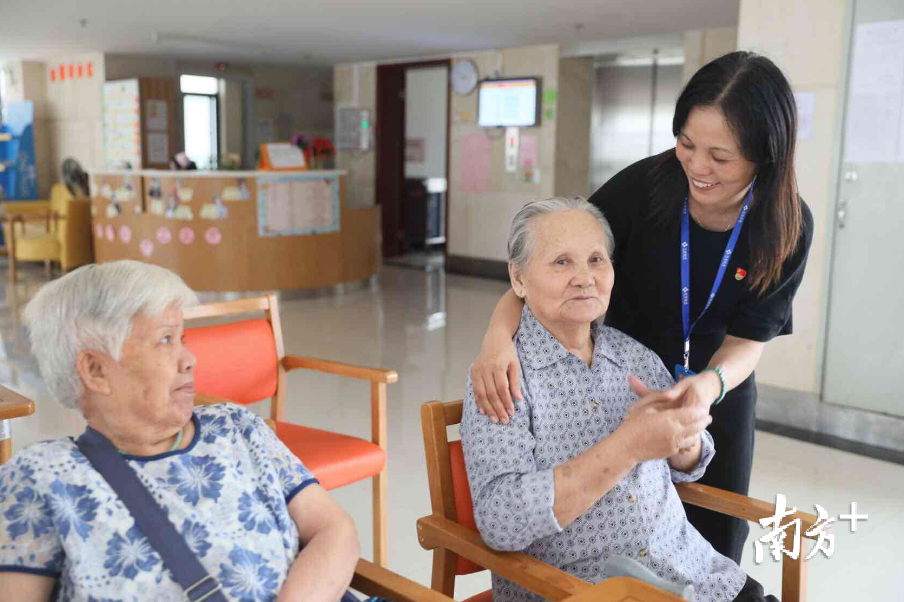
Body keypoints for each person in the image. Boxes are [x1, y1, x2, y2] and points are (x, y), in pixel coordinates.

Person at [470, 51, 814, 563]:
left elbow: (750, 339)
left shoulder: (785, 225)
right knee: (614, 517)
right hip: (622, 377)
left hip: (715, 388)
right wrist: (497, 341)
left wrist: (709, 385)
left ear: (766, 154)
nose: (698, 167)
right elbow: (550, 265)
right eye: (687, 144)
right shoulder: (644, 188)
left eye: (720, 157)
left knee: (713, 543)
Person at [461, 197, 780, 602]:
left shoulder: (634, 356)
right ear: (518, 278)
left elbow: (688, 468)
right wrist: (628, 446)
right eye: (561, 262)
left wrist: (685, 440)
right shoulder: (502, 378)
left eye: (596, 259)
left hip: (695, 577)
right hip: (587, 590)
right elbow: (501, 521)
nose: (584, 277)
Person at [0, 260, 360, 602]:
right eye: (165, 340)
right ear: (95, 370)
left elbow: (334, 529)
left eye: (182, 337)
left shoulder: (235, 428)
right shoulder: (40, 478)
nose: (190, 358)